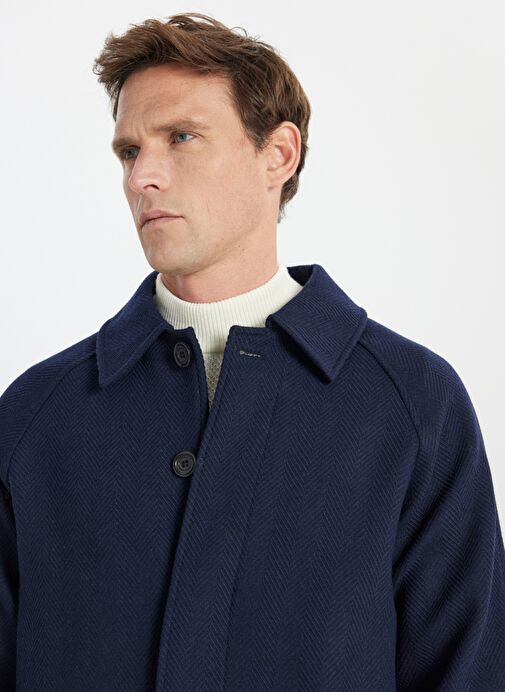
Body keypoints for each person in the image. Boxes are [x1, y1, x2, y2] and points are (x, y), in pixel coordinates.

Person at [1, 12, 504, 691]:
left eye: (181, 137)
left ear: (278, 155)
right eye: (128, 151)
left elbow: (468, 672)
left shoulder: (412, 404)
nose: (143, 176)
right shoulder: (36, 416)